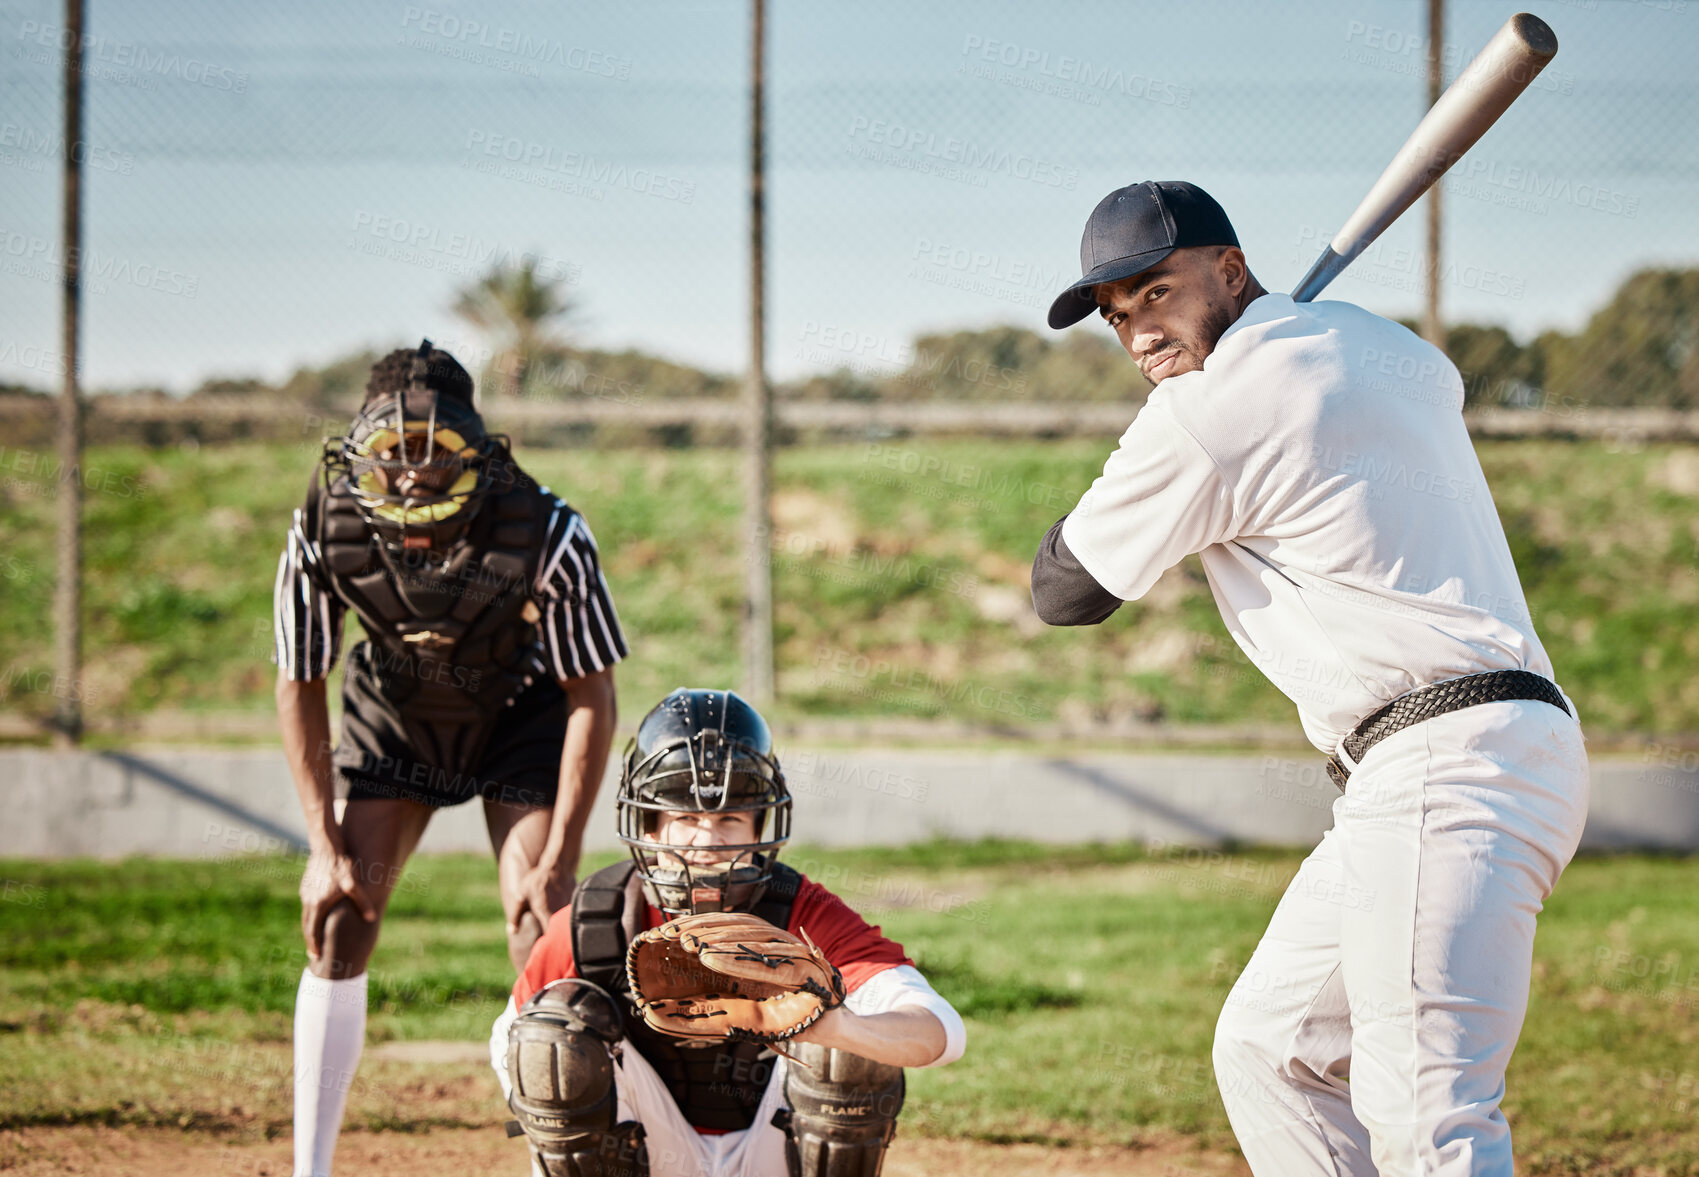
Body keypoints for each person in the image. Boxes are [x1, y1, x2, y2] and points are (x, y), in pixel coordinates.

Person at [1031, 181, 1588, 1176]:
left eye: (1155, 293)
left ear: (1230, 271)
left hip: (1441, 763)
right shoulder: (1383, 346)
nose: (1137, 333)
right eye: (1117, 317)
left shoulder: (1206, 413)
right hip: (1485, 751)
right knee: (1272, 1049)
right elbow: (1401, 387)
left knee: (1427, 1113)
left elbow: (1066, 590)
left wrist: (1154, 447)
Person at [273, 340, 627, 1177]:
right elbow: (300, 682)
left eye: (438, 450)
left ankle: (560, 1161)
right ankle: (309, 1167)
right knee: (339, 914)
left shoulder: (546, 528)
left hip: (516, 714)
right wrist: (323, 850)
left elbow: (592, 699)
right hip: (396, 719)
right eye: (395, 452)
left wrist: (563, 859)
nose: (416, 472)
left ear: (477, 449)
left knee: (541, 925)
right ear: (362, 452)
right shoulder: (323, 525)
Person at [489, 688, 965, 1177]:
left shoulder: (801, 909)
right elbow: (512, 1043)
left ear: (761, 825)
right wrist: (572, 1100)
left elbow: (942, 1032)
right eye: (686, 818)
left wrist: (839, 1026)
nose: (708, 842)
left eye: (730, 819)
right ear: (650, 827)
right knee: (552, 1039)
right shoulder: (602, 916)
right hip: (651, 1149)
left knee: (846, 1051)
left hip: (772, 1149)